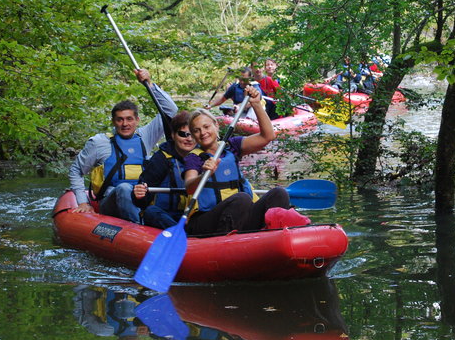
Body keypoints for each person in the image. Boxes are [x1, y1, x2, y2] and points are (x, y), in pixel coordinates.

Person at [67, 68, 178, 223]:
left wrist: (150, 84)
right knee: (125, 188)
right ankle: (141, 226)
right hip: (111, 202)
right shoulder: (99, 142)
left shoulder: (145, 136)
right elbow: (76, 171)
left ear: (137, 120)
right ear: (113, 121)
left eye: (129, 119)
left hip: (142, 199)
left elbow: (171, 111)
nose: (125, 124)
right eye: (120, 119)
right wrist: (83, 202)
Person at [184, 85, 290, 236]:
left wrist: (256, 104)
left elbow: (268, 136)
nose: (202, 133)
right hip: (207, 221)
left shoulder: (232, 146)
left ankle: (273, 237)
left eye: (206, 126)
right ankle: (225, 244)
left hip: (240, 215)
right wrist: (204, 175)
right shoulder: (194, 158)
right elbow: (189, 187)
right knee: (242, 199)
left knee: (279, 193)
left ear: (216, 125)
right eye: (196, 130)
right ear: (193, 136)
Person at [132, 111, 195, 229]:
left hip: (195, 217)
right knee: (151, 212)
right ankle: (182, 236)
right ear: (173, 135)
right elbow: (141, 202)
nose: (189, 139)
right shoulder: (161, 159)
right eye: (183, 134)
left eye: (193, 134)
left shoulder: (205, 156)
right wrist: (138, 195)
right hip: (168, 217)